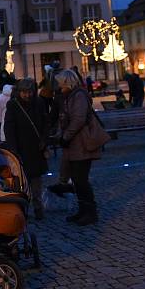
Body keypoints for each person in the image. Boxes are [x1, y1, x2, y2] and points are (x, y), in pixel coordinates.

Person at [57, 69, 101, 226]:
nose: (59, 87)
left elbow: (78, 119)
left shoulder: (78, 95)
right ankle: (84, 210)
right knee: (77, 179)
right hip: (76, 144)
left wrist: (65, 137)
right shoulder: (71, 96)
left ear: (67, 82)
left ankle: (90, 212)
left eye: (60, 84)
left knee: (81, 179)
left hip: (82, 143)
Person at [3, 78, 49, 219]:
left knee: (36, 181)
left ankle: (38, 207)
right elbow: (9, 128)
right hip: (21, 148)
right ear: (19, 92)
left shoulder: (39, 103)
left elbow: (45, 123)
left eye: (29, 92)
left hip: (36, 147)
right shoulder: (13, 105)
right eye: (24, 92)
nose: (27, 95)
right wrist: (13, 149)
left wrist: (44, 140)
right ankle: (23, 209)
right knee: (21, 181)